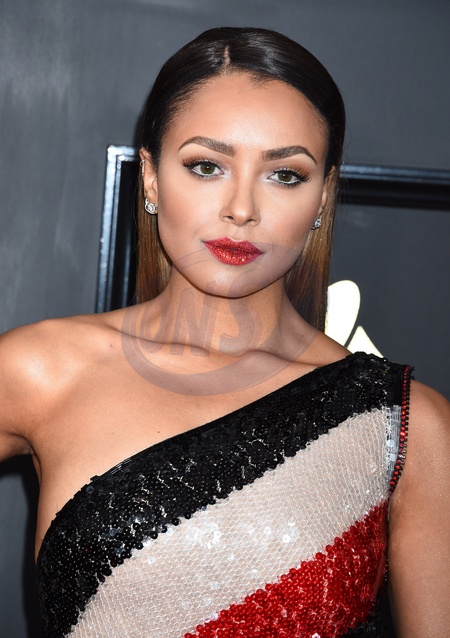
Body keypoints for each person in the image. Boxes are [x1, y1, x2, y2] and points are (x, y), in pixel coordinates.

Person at [0, 26, 449, 638]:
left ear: (323, 196)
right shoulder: (39, 371)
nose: (241, 209)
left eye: (284, 175)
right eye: (206, 166)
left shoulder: (405, 428)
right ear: (151, 177)